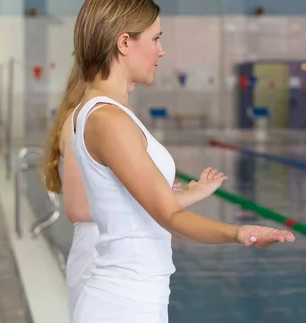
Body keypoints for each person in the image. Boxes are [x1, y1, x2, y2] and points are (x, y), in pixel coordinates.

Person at [68, 0, 295, 322]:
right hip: (122, 305)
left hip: (135, 298)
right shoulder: (107, 119)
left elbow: (133, 209)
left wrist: (188, 194)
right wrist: (240, 232)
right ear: (125, 42)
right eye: (156, 38)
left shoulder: (109, 112)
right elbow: (167, 217)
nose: (162, 51)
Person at [43, 63, 231, 321]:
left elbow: (123, 198)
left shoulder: (108, 119)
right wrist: (153, 200)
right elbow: (77, 208)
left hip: (120, 256)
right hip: (100, 253)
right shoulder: (91, 122)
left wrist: (166, 195)